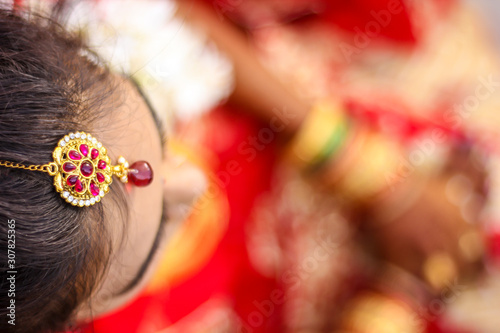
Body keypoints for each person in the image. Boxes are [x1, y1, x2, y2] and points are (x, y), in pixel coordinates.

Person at [0, 1, 489, 332]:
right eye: (164, 226)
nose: (193, 181)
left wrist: (362, 167)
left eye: (152, 122)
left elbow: (152, 14)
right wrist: (397, 297)